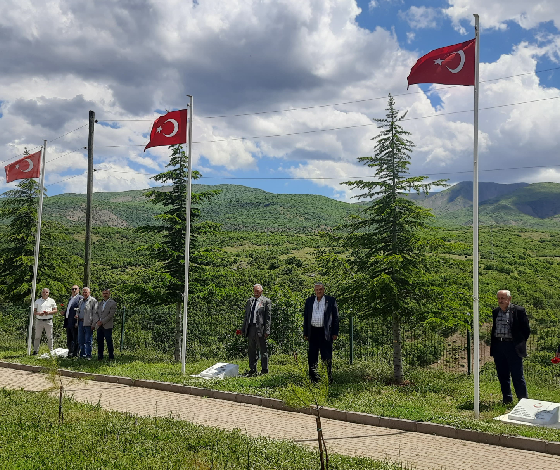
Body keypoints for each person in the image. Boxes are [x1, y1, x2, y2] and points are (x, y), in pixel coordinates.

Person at [490, 290, 530, 404]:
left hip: (513, 346)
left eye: (503, 298)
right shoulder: (496, 312)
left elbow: (526, 330)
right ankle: (507, 399)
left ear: (509, 298)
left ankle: (523, 401)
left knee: (517, 375)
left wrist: (519, 342)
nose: (500, 301)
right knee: (502, 374)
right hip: (499, 346)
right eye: (499, 298)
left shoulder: (518, 311)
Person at [303, 282, 339, 383]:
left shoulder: (331, 300)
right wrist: (305, 332)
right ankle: (313, 379)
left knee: (326, 356)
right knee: (312, 356)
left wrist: (335, 332)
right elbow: (306, 317)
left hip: (325, 332)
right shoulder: (310, 301)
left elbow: (336, 317)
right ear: (314, 291)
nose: (318, 291)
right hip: (313, 331)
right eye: (317, 290)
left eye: (320, 289)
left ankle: (327, 378)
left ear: (323, 290)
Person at [241, 284, 271, 375]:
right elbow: (246, 316)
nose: (256, 293)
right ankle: (252, 369)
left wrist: (267, 330)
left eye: (258, 291)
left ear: (261, 291)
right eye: (255, 291)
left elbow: (268, 318)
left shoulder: (266, 301)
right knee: (251, 350)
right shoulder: (250, 301)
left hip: (260, 329)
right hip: (250, 328)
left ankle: (264, 370)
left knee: (263, 350)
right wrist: (243, 329)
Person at [93, 288, 117, 361]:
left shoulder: (113, 303)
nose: (105, 295)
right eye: (104, 293)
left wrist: (102, 321)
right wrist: (97, 321)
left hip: (107, 325)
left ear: (109, 294)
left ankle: (111, 356)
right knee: (100, 341)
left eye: (106, 293)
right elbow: (95, 313)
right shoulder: (99, 303)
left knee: (108, 341)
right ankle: (100, 357)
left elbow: (111, 315)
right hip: (99, 326)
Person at [32, 288, 58, 355]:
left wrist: (49, 312)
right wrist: (39, 313)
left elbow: (55, 310)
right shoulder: (37, 301)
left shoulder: (51, 301)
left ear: (48, 293)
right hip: (39, 320)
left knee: (50, 337)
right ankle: (35, 351)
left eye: (46, 292)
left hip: (48, 321)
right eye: (44, 292)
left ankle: (51, 351)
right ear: (41, 293)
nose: (45, 293)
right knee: (37, 336)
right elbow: (34, 312)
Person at [61, 285, 82, 358]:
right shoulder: (70, 298)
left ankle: (75, 353)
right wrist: (65, 312)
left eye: (75, 289)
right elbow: (70, 309)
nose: (74, 290)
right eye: (72, 289)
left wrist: (78, 319)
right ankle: (70, 352)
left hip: (75, 321)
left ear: (78, 290)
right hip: (68, 321)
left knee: (75, 338)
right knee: (69, 338)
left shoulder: (80, 298)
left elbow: (80, 310)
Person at [77, 287, 97, 360]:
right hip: (80, 322)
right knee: (81, 340)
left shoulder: (93, 301)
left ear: (89, 292)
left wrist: (93, 324)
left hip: (88, 323)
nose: (84, 293)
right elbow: (79, 311)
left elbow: (95, 313)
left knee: (88, 340)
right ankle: (82, 355)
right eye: (83, 292)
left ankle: (88, 355)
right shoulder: (81, 301)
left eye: (86, 292)